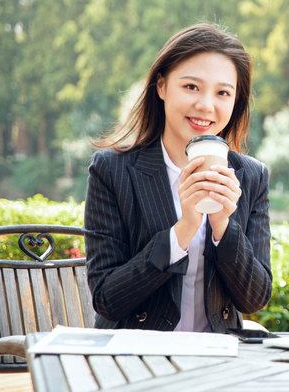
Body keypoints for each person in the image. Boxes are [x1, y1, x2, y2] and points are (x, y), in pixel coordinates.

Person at [84, 23, 272, 333]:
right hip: (135, 359)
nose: (206, 106)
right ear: (161, 86)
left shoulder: (251, 176)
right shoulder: (112, 170)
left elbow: (254, 299)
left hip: (218, 360)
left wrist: (223, 226)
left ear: (235, 101)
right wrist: (182, 231)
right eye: (191, 87)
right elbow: (107, 300)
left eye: (222, 92)